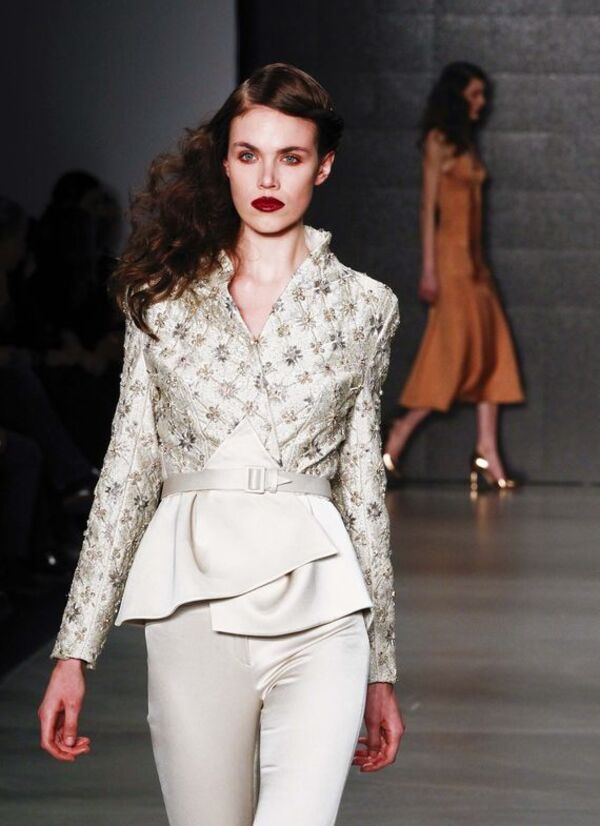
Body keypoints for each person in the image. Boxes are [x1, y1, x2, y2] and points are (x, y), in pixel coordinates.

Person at [38, 63, 405, 825]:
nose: (267, 178)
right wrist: (75, 651)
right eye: (248, 154)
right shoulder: (163, 303)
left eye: (291, 157)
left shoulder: (365, 306)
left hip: (323, 614)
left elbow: (364, 486)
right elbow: (128, 473)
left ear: (323, 166)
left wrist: (382, 669)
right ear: (225, 163)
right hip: (192, 611)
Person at [383, 61, 524, 492]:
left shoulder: (465, 143)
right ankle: (397, 437)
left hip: (476, 264)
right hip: (450, 262)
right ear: (457, 96)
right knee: (450, 354)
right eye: (475, 94)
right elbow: (429, 208)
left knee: (493, 351)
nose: (482, 102)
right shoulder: (438, 140)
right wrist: (429, 268)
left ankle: (487, 450)